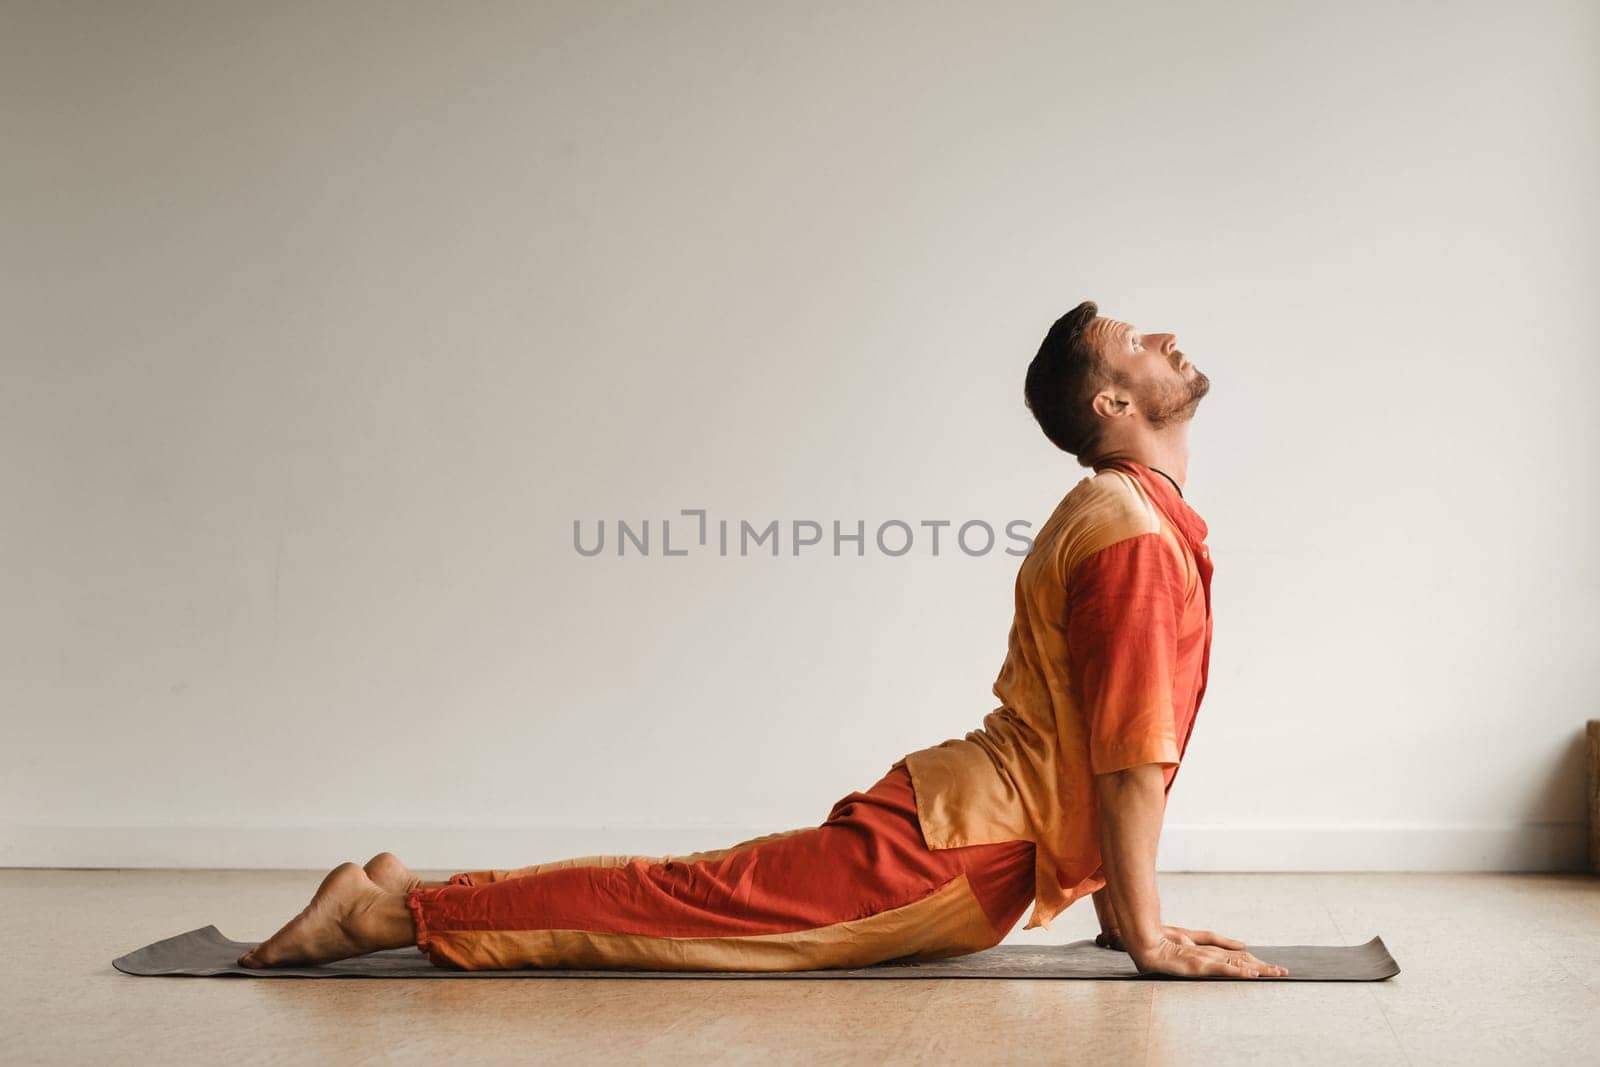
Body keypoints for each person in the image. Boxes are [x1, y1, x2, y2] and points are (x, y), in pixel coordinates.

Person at [239, 301, 1289, 979]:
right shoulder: (1132, 531)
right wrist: (1145, 938)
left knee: (683, 891)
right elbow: (1121, 763)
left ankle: (396, 894)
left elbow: (1107, 741)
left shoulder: (1129, 514)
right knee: (677, 908)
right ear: (1112, 401)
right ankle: (383, 914)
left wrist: (1122, 920)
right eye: (1135, 342)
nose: (1163, 336)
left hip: (960, 825)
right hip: (952, 849)